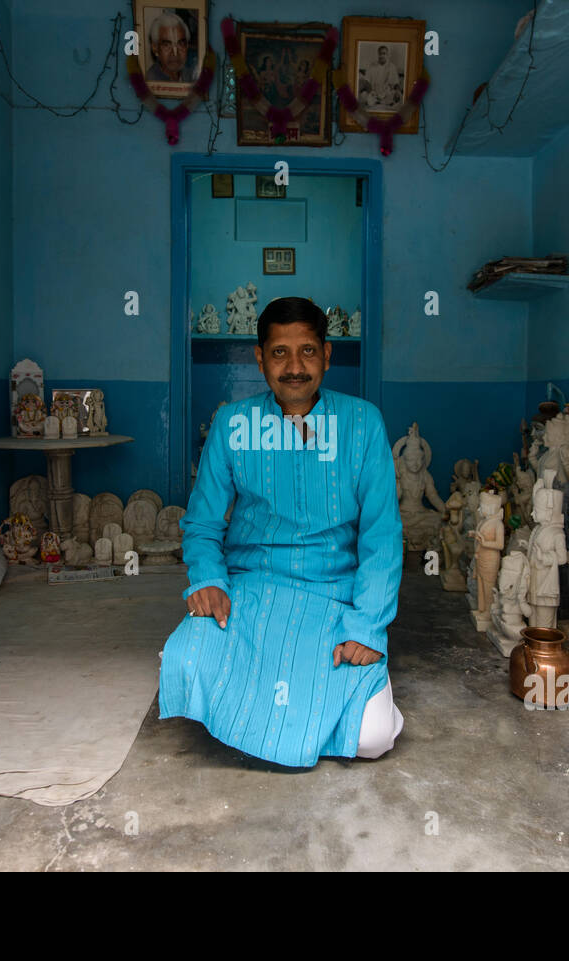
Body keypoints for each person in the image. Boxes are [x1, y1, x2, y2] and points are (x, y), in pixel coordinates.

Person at [159, 297, 404, 767]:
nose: (294, 367)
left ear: (327, 356)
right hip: (250, 595)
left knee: (372, 739)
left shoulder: (363, 423)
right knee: (183, 663)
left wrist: (368, 625)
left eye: (308, 351)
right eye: (279, 353)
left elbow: (382, 537)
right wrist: (208, 580)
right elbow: (203, 523)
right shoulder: (233, 424)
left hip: (335, 598)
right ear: (259, 357)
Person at [145, 10, 195, 83]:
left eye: (180, 44)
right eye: (167, 45)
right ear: (155, 48)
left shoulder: (191, 76)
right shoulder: (150, 81)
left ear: (187, 46)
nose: (175, 53)